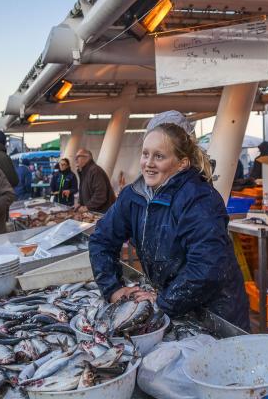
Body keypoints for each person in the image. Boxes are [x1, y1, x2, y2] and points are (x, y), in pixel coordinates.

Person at [88, 117, 250, 331]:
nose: (149, 163)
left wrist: (162, 302)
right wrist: (113, 289)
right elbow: (101, 239)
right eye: (146, 154)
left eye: (159, 156)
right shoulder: (133, 196)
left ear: (182, 163)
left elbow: (206, 266)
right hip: (172, 306)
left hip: (216, 313)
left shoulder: (199, 199)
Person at [74, 149, 116, 213]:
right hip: (94, 211)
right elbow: (83, 191)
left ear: (87, 158)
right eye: (75, 157)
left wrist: (87, 207)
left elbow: (100, 195)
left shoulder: (95, 171)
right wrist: (80, 203)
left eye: (78, 157)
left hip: (103, 213)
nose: (75, 159)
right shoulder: (85, 172)